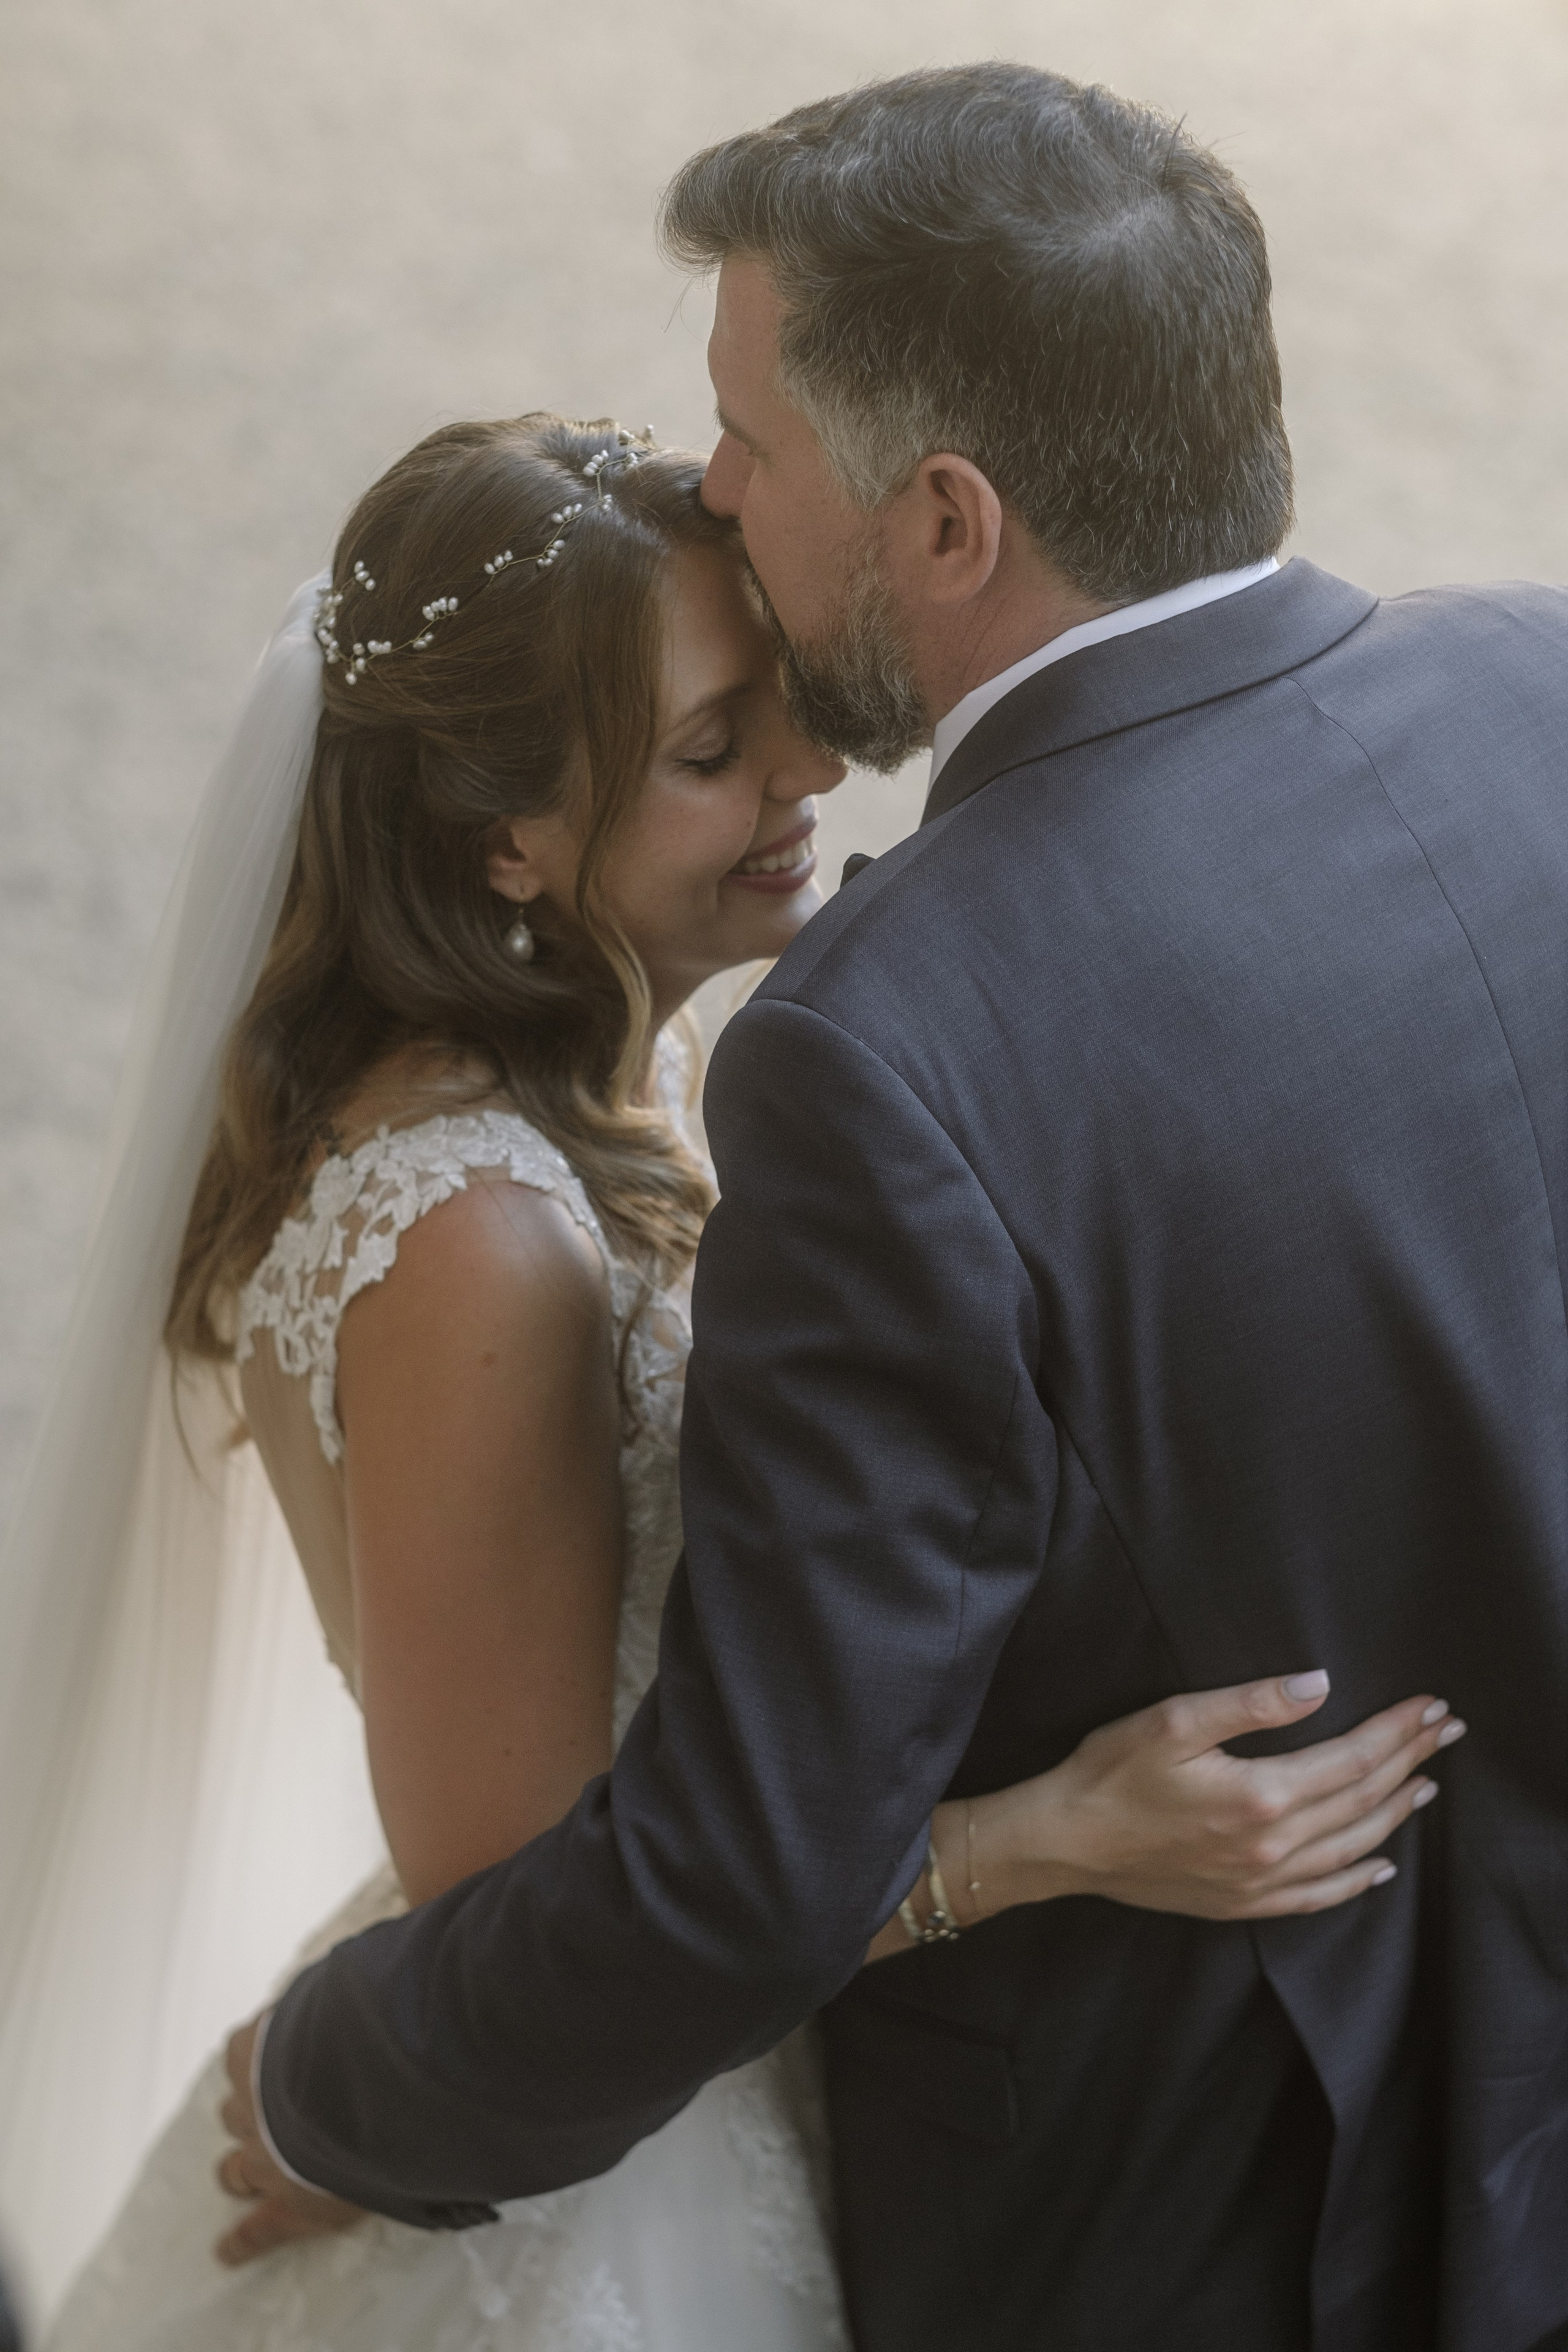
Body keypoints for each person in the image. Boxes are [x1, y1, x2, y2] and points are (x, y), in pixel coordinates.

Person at [224, 62, 1568, 2352]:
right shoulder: (1540, 683)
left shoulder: (887, 1042)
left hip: (1189, 2230)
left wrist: (337, 2083)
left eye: (752, 435)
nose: (717, 484)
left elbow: (742, 1865)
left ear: (945, 519)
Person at [5, 415, 1441, 2352]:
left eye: (781, 694)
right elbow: (522, 1919)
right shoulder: (470, 1240)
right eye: (710, 752)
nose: (813, 772)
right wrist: (1049, 1837)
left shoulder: (612, 1077)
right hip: (587, 2197)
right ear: (502, 837)